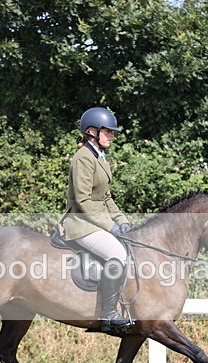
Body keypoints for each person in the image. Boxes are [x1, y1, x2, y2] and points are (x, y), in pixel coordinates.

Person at [60, 107, 134, 333]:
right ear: (92, 131)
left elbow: (106, 197)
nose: (112, 135)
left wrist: (122, 220)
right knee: (117, 254)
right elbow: (83, 200)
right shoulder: (82, 158)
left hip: (95, 221)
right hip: (81, 223)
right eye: (108, 131)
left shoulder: (99, 157)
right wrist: (110, 226)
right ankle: (108, 314)